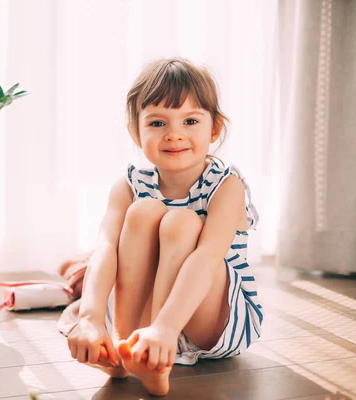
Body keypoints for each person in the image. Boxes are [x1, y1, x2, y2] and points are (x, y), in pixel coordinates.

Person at [65, 58, 262, 396]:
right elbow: (106, 249)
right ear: (135, 131)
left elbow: (208, 258)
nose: (174, 134)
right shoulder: (128, 186)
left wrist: (166, 328)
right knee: (142, 212)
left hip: (211, 317)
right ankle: (127, 349)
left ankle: (158, 349)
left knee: (183, 222)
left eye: (190, 121)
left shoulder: (226, 186)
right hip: (146, 317)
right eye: (157, 122)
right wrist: (90, 317)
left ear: (214, 130)